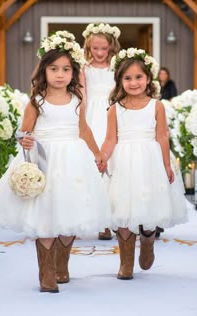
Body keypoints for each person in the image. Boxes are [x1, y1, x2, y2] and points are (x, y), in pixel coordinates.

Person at [0, 31, 111, 293]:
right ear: (44, 71)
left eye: (66, 69)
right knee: (46, 214)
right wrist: (25, 140)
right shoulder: (36, 101)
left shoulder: (77, 100)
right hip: (45, 160)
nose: (60, 74)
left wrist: (97, 153)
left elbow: (83, 129)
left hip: (74, 159)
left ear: (74, 73)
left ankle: (62, 264)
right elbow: (24, 132)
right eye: (54, 69)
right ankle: (47, 273)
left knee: (70, 210)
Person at [100, 48, 187, 280]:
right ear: (120, 81)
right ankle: (125, 262)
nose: (134, 82)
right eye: (127, 78)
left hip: (149, 160)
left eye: (138, 77)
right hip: (123, 161)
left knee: (148, 205)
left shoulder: (156, 106)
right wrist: (102, 158)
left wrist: (167, 165)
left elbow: (162, 137)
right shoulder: (114, 109)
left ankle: (148, 240)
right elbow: (110, 139)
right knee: (123, 209)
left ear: (148, 79)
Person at [80, 22, 121, 241]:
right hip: (92, 115)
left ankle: (115, 216)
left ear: (111, 47)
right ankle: (100, 220)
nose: (99, 53)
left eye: (104, 49)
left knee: (114, 162)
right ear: (88, 47)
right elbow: (82, 94)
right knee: (93, 163)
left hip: (112, 111)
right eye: (95, 48)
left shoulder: (116, 67)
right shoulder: (83, 68)